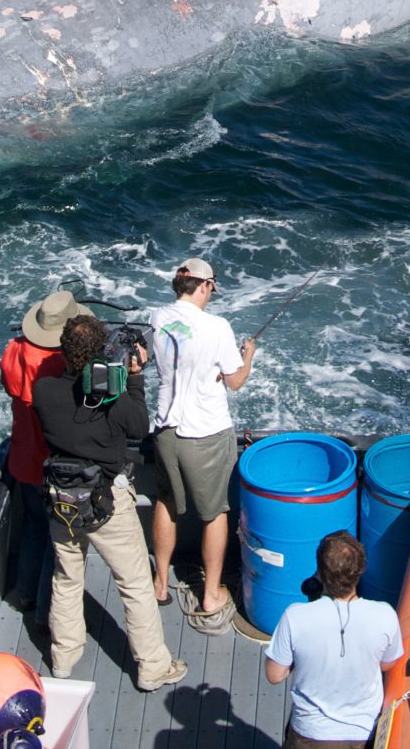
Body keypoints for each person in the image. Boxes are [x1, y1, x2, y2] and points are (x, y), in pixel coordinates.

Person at [31, 314, 187, 691]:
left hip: (62, 497)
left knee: (66, 578)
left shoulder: (43, 392)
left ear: (63, 351)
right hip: (105, 500)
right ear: (102, 351)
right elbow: (138, 427)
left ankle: (63, 657)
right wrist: (134, 378)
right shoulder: (112, 401)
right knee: (133, 583)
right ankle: (152, 667)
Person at [147, 256, 255, 622]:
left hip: (165, 430)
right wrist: (248, 356)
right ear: (205, 285)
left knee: (166, 500)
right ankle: (210, 596)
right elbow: (235, 381)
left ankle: (160, 583)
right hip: (204, 434)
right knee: (214, 514)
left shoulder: (157, 318)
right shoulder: (217, 326)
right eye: (211, 288)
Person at [0, 288, 92, 620]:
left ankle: (24, 594)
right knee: (59, 543)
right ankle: (44, 614)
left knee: (34, 529)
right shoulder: (60, 365)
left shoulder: (13, 351)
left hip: (23, 458)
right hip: (56, 466)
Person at [263, 531, 404, 749]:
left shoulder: (296, 617)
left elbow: (274, 674)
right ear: (361, 571)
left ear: (319, 572)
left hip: (309, 734)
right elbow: (388, 663)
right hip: (363, 734)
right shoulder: (385, 616)